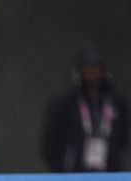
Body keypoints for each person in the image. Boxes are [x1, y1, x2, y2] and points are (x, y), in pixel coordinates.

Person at [41, 44, 129, 172]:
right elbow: (50, 144)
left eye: (96, 66)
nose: (93, 71)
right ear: (80, 70)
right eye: (88, 67)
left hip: (110, 172)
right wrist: (61, 171)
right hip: (74, 173)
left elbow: (123, 139)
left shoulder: (117, 102)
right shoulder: (65, 103)